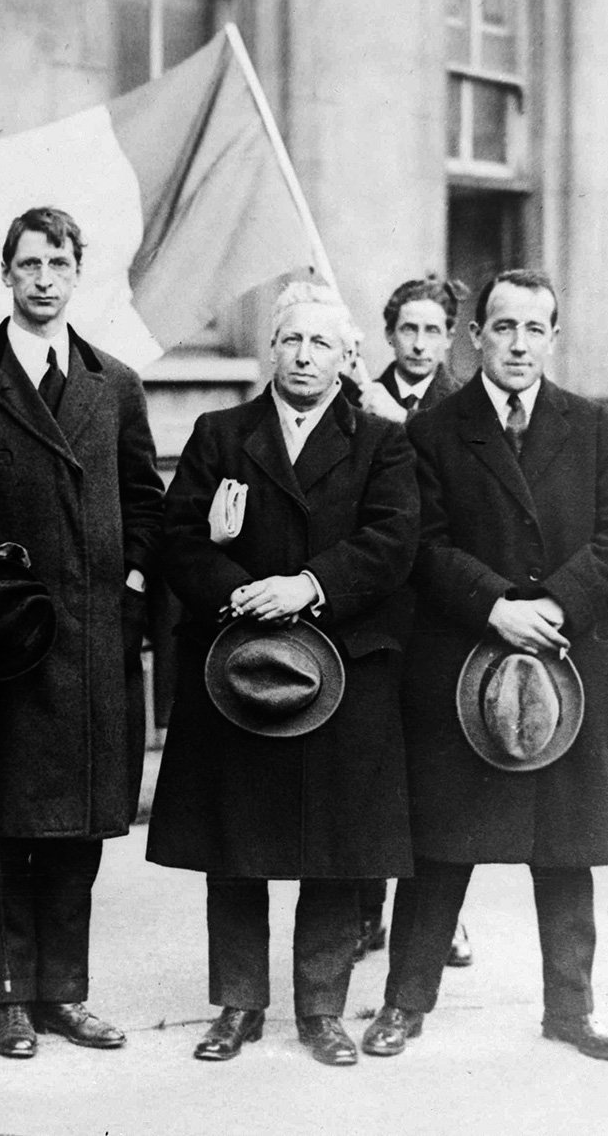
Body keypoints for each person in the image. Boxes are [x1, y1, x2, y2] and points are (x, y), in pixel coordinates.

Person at [362, 269, 608, 1062]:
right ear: (475, 336)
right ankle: (404, 1003)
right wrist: (496, 606)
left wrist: (556, 604)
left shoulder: (594, 428)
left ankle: (572, 1009)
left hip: (570, 664)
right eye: (503, 327)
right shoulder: (431, 433)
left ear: (553, 337)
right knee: (440, 846)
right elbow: (419, 544)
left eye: (535, 328)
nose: (519, 343)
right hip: (463, 661)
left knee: (567, 847)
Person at [0, 206, 163, 1059]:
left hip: (89, 642)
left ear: (78, 273)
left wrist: (125, 587)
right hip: (2, 640)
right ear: (4, 275)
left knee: (78, 831)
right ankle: (13, 996)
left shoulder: (113, 382)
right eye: (28, 264)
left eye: (58, 263)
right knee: (5, 826)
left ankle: (67, 994)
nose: (43, 278)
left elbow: (147, 506)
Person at [146, 282, 418, 1066]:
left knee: (334, 843)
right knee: (236, 841)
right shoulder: (220, 433)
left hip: (341, 668)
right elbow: (177, 541)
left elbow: (393, 542)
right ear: (272, 347)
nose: (304, 356)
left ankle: (323, 1009)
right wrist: (235, 590)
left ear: (346, 358)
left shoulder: (379, 442)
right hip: (240, 664)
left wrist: (308, 586)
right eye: (292, 340)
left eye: (322, 344)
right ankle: (238, 1005)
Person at [349, 276, 472, 967]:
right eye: (407, 331)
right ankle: (364, 910)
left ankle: (437, 919)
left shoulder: (464, 409)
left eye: (433, 332)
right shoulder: (356, 397)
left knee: (435, 771)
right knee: (368, 763)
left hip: (440, 612)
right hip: (373, 610)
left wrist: (404, 427)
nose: (420, 344)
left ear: (449, 337)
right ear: (389, 334)